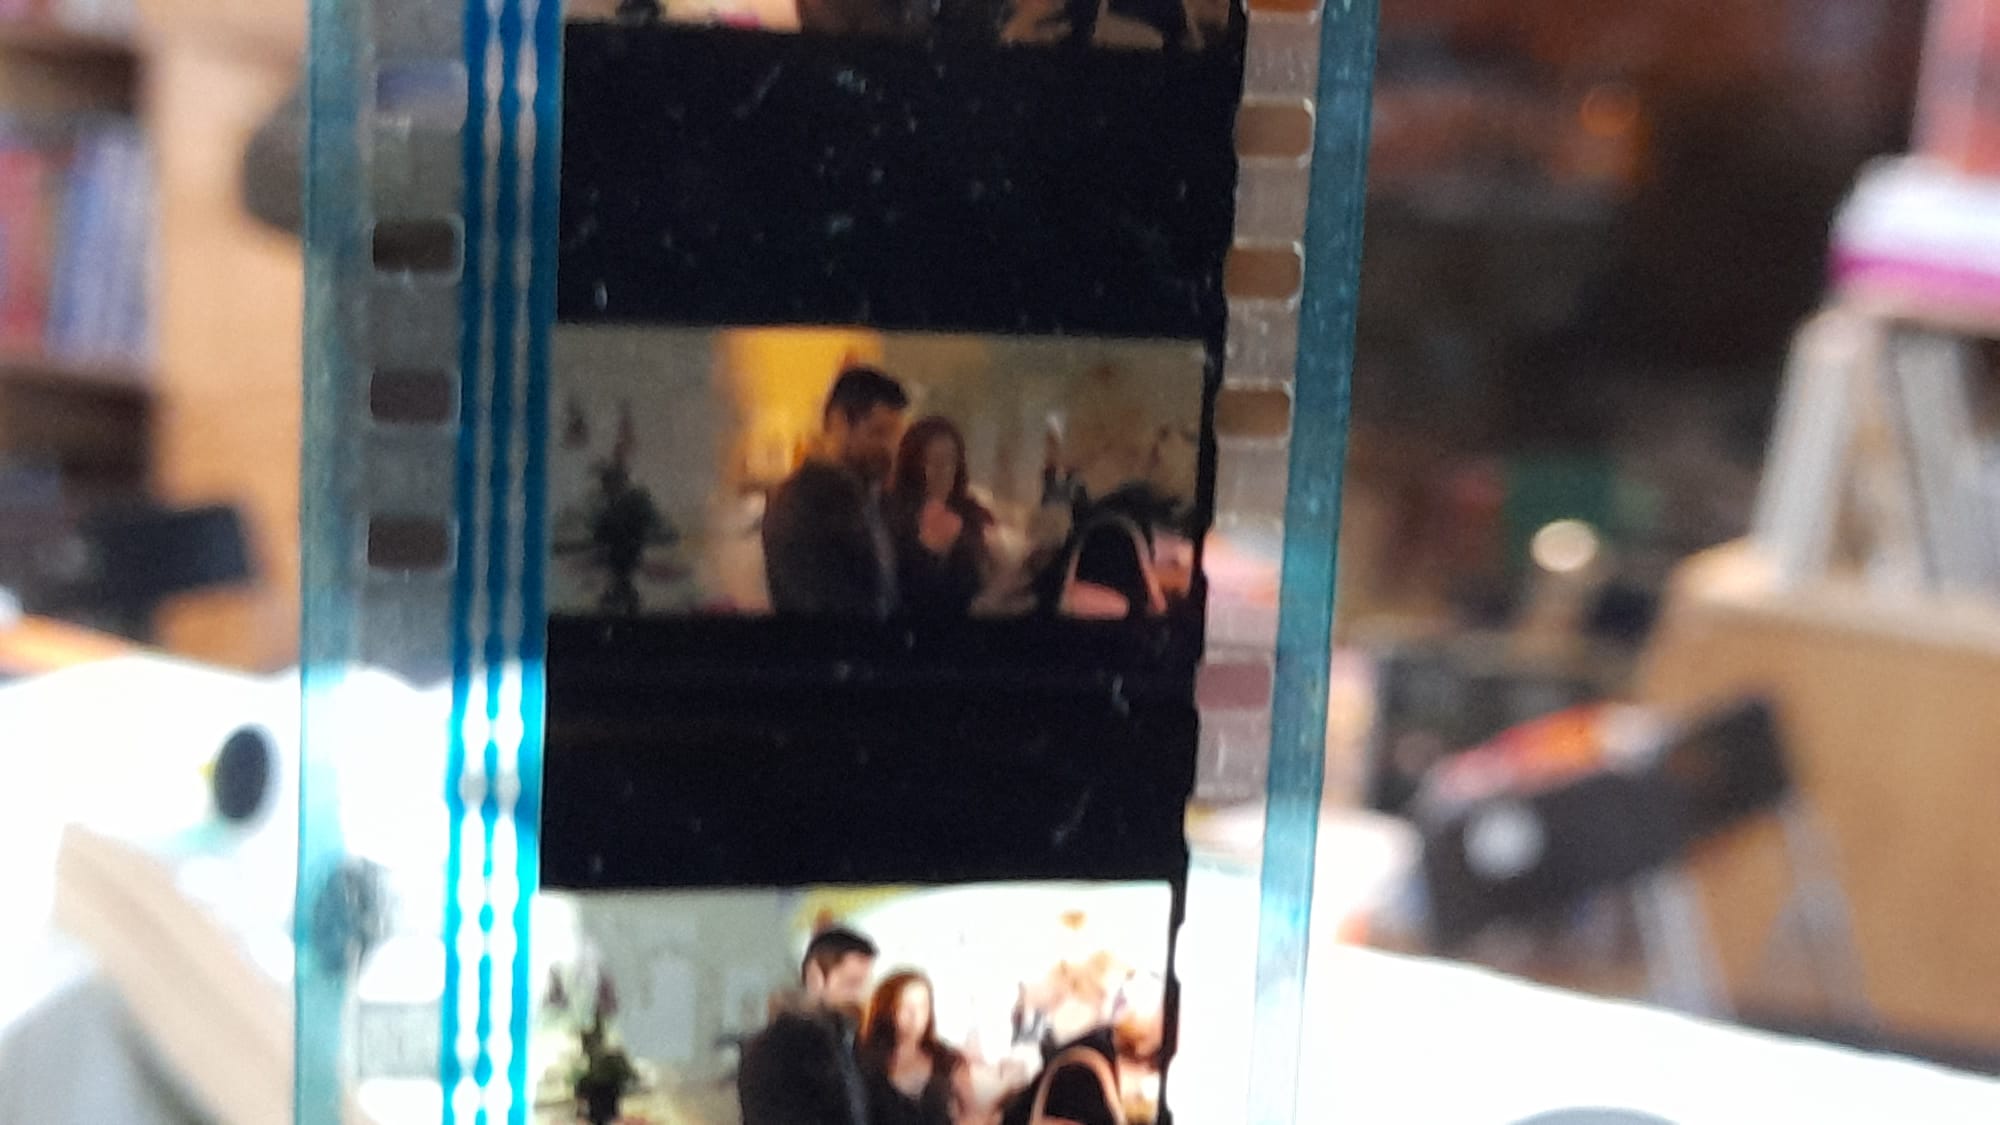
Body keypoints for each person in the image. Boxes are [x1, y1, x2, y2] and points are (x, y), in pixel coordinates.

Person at [763, 366, 910, 618]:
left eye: (895, 436)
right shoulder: (802, 504)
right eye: (878, 432)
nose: (890, 448)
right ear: (839, 423)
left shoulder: (870, 497)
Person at [739, 927, 881, 1125]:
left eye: (867, 984)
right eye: (851, 984)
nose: (861, 996)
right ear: (816, 977)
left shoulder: (849, 1044)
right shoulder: (777, 1050)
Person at [888, 417, 997, 620]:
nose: (943, 472)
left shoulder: (970, 515)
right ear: (914, 465)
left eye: (950, 461)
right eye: (934, 462)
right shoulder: (893, 516)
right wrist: (932, 553)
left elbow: (981, 579)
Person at [859, 970, 976, 1125]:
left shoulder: (947, 1061)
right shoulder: (864, 1062)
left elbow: (973, 1114)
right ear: (888, 1009)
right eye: (905, 1007)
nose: (915, 1015)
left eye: (922, 1006)